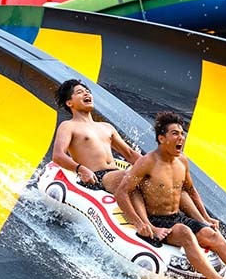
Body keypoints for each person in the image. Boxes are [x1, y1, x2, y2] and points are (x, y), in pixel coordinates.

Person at [114, 111, 226, 279]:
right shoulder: (147, 163)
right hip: (158, 221)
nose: (181, 138)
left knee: (212, 235)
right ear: (161, 138)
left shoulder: (182, 161)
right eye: (175, 133)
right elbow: (122, 192)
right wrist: (141, 224)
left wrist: (206, 217)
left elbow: (191, 191)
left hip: (177, 216)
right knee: (185, 233)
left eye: (182, 133)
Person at [51, 79, 202, 236]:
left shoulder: (106, 127)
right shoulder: (69, 126)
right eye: (79, 92)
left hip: (114, 171)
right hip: (98, 176)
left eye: (87, 91)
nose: (86, 93)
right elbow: (58, 155)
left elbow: (129, 154)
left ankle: (200, 221)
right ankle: (147, 226)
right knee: (130, 179)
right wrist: (81, 169)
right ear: (70, 103)